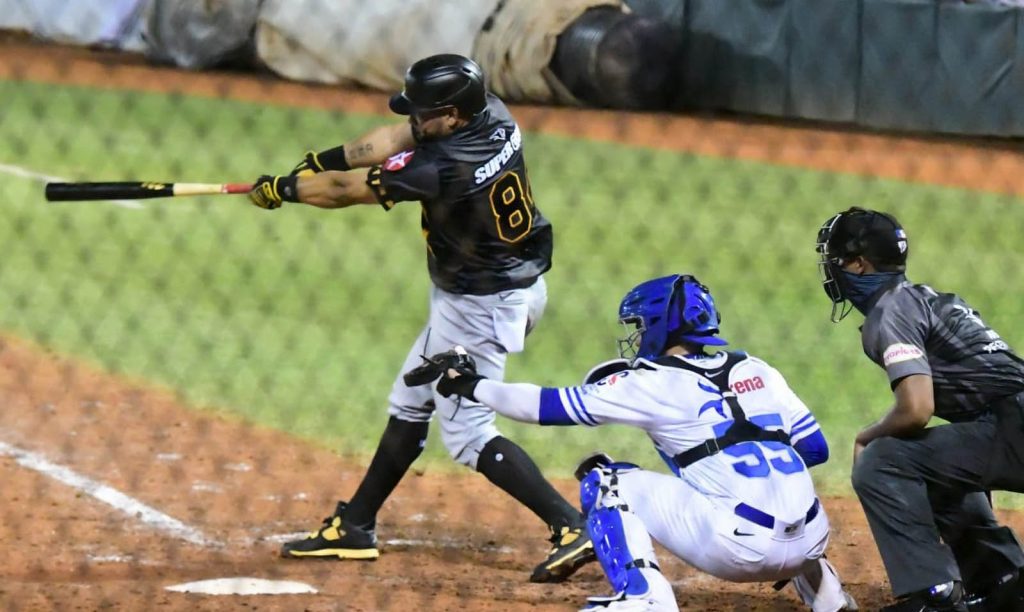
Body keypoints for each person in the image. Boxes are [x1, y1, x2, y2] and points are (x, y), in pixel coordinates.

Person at [247, 53, 595, 583]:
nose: (414, 119)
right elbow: (395, 136)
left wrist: (283, 190)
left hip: (479, 308)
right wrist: (322, 159)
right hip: (511, 287)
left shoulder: (443, 166)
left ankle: (571, 525)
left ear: (452, 116)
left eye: (424, 112)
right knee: (410, 399)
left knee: (468, 432)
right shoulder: (492, 111)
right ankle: (356, 524)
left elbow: (346, 191)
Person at [415, 273, 858, 611]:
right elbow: (815, 449)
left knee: (605, 479)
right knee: (780, 489)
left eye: (640, 325)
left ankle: (644, 597)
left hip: (737, 550)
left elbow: (546, 407)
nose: (635, 335)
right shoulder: (757, 370)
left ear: (660, 326)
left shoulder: (652, 381)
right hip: (809, 542)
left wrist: (471, 384)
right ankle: (830, 598)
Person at [816, 207, 1024, 611]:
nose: (832, 269)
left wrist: (866, 436)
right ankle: (1003, 580)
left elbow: (916, 408)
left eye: (837, 259)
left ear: (859, 264)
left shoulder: (891, 311)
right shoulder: (927, 299)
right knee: (927, 460)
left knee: (883, 458)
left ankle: (935, 594)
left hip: (1012, 427)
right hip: (1009, 424)